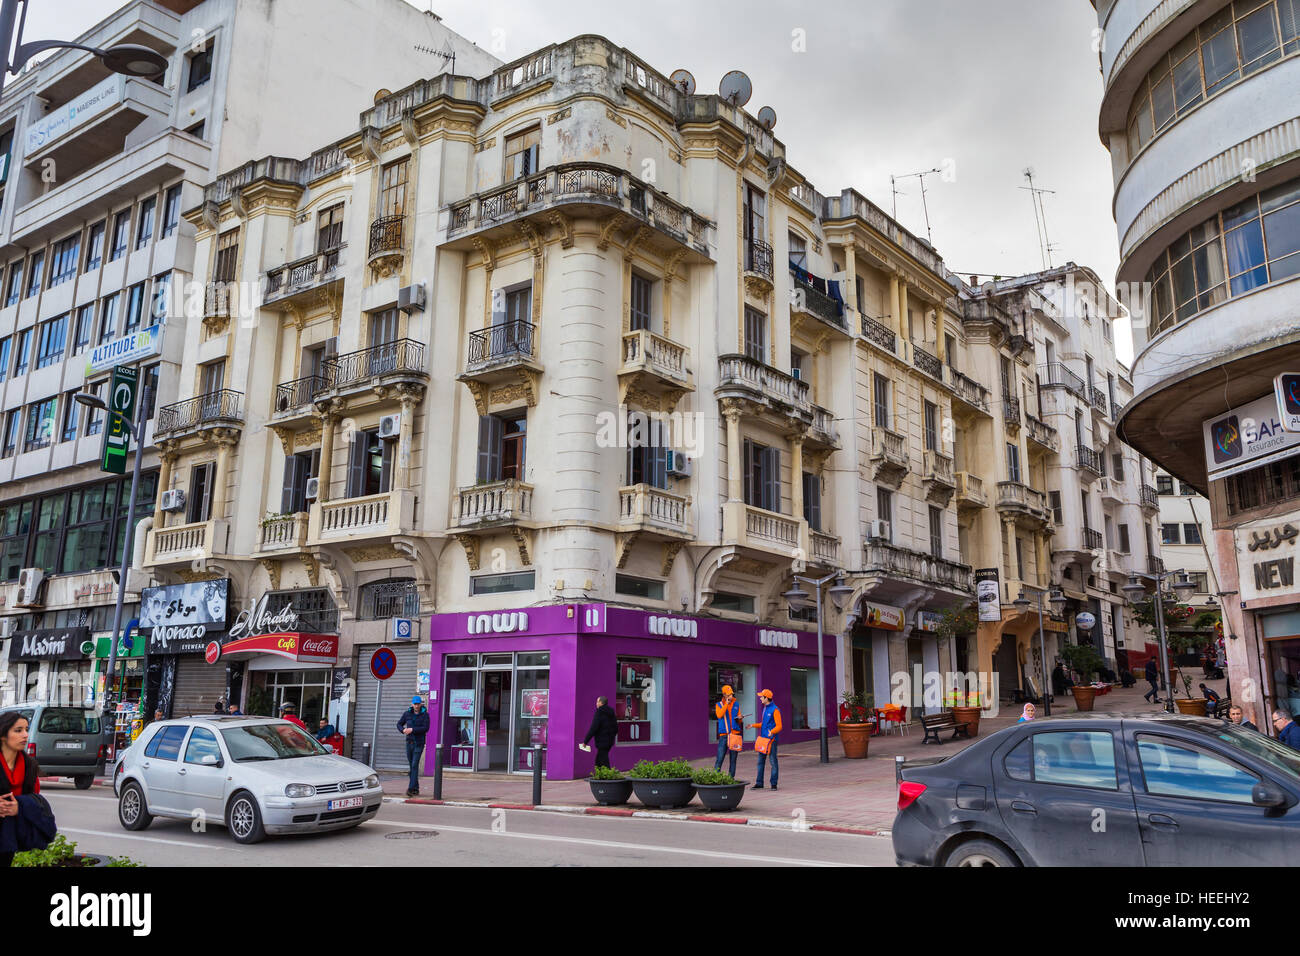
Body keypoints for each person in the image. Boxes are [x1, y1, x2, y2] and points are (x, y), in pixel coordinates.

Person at [0, 711, 56, 868]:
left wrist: (20, 806)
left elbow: (35, 798)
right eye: (18, 730)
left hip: (7, 838)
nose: (25, 735)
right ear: (3, 735)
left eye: (26, 729)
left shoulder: (29, 766)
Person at [749, 690, 783, 791]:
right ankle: (759, 783)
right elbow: (763, 724)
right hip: (763, 740)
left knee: (773, 762)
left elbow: (779, 726)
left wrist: (772, 732)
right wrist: (753, 725)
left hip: (771, 740)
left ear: (766, 698)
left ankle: (773, 784)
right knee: (760, 762)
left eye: (761, 697)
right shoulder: (765, 709)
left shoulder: (775, 710)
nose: (760, 698)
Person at [397, 696, 430, 797]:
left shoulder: (425, 715)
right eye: (414, 704)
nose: (416, 706)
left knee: (415, 765)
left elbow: (425, 728)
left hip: (419, 743)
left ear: (421, 704)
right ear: (412, 704)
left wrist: (412, 730)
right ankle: (416, 788)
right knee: (412, 766)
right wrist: (402, 730)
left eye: (418, 704)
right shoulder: (407, 714)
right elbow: (399, 724)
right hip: (409, 743)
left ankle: (411, 789)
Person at [713, 685, 742, 777]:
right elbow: (719, 715)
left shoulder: (736, 704)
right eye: (729, 694)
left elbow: (739, 719)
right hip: (724, 735)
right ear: (724, 695)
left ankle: (730, 779)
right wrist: (726, 703)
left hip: (734, 734)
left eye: (731, 694)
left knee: (733, 760)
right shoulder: (719, 705)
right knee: (720, 758)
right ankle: (715, 778)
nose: (731, 696)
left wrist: (740, 718)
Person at [582, 696, 617, 769]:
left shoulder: (599, 712)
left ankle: (608, 776)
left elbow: (593, 728)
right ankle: (600, 775)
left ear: (601, 703)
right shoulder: (611, 712)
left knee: (603, 760)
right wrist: (612, 735)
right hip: (609, 741)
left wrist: (585, 741)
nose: (596, 703)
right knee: (599, 760)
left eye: (597, 702)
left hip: (602, 741)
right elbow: (616, 727)